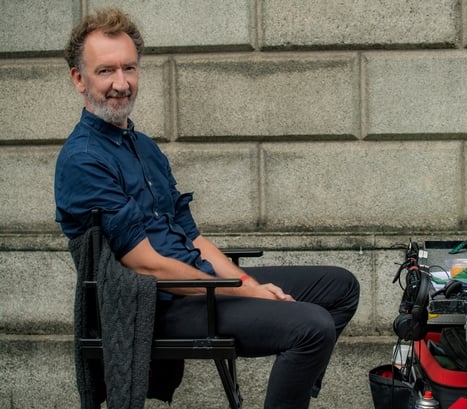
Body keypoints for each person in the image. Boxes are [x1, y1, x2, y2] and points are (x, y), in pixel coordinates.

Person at [55, 8, 359, 409]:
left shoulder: (142, 146)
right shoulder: (83, 160)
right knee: (313, 326)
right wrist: (249, 290)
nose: (121, 83)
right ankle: (298, 359)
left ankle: (295, 383)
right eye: (105, 71)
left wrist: (244, 283)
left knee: (339, 287)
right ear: (79, 78)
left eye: (129, 68)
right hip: (155, 303)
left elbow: (192, 237)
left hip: (197, 284)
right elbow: (146, 265)